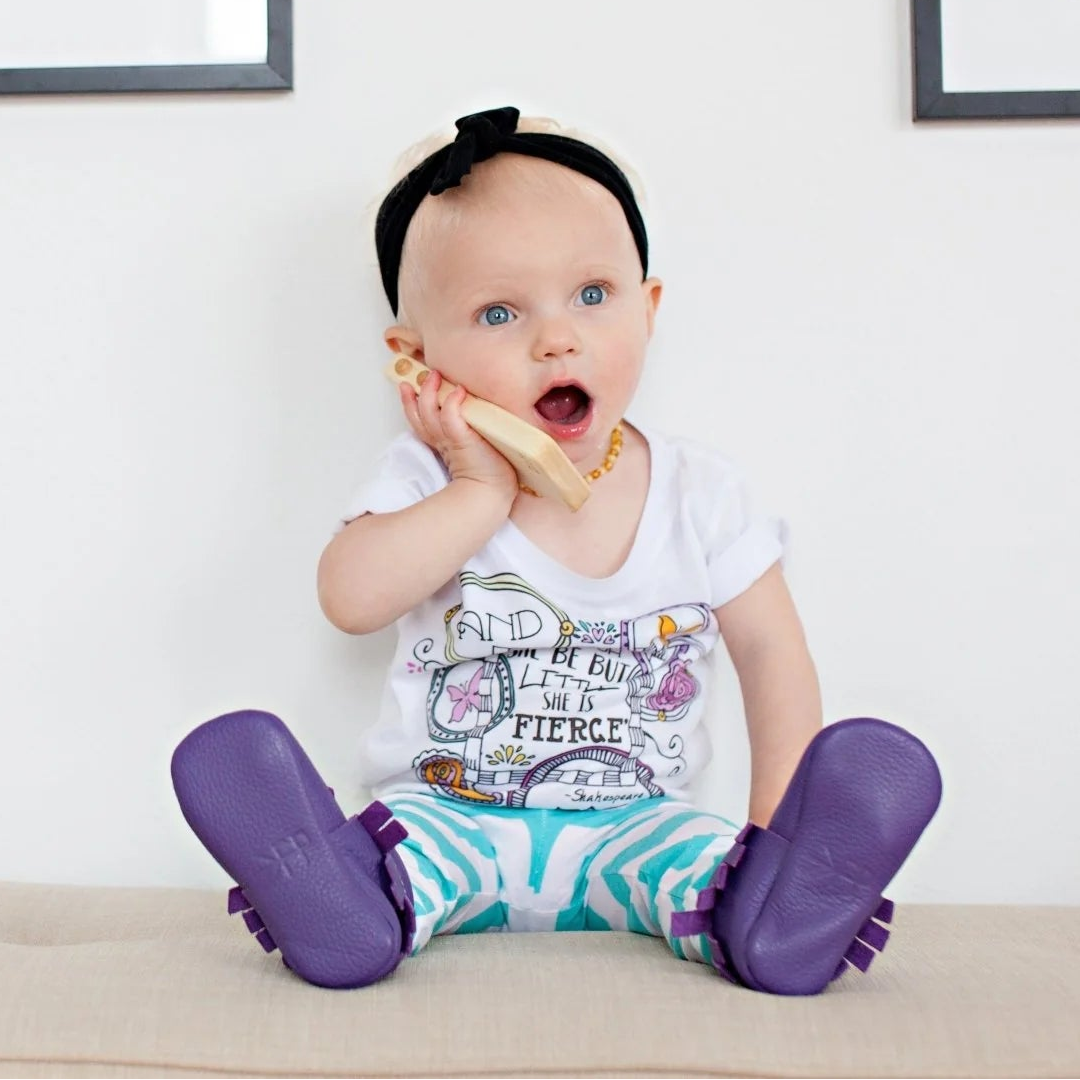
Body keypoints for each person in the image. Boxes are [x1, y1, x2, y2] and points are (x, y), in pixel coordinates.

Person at [171, 105, 942, 996]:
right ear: (416, 360)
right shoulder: (427, 481)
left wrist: (772, 831)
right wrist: (479, 489)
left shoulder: (702, 492)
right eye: (499, 311)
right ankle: (347, 907)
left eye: (592, 295)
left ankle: (773, 911)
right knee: (403, 858)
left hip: (639, 822)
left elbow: (773, 656)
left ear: (648, 312)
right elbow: (349, 598)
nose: (557, 337)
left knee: (703, 869)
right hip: (453, 813)